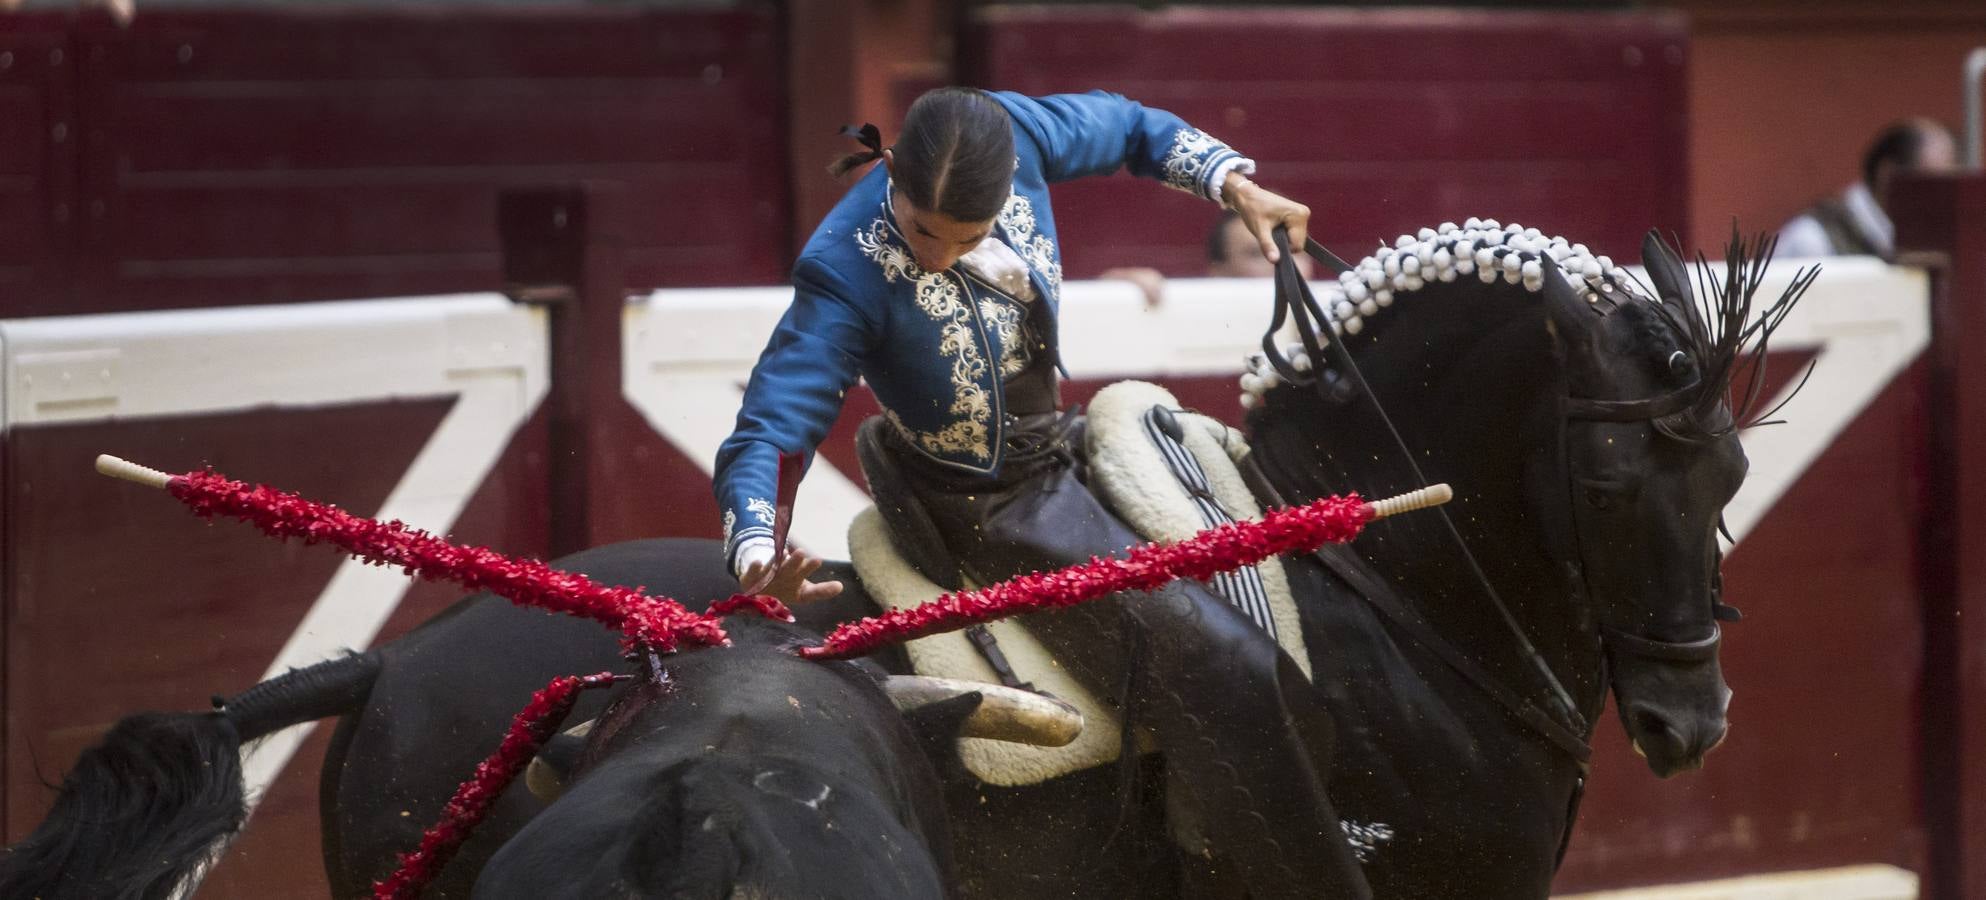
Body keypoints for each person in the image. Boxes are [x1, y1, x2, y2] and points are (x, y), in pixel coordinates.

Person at [712, 87, 1368, 897]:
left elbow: (1132, 128)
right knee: (1223, 667)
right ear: (895, 183)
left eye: (970, 235)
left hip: (1061, 444)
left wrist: (1236, 184)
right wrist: (753, 546)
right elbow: (774, 424)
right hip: (983, 506)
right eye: (923, 232)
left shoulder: (1015, 132)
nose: (943, 256)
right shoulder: (845, 266)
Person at [1777, 117, 1959, 259]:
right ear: (1889, 174)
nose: (1941, 196)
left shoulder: (1930, 241)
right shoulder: (1812, 239)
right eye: (1931, 182)